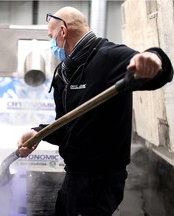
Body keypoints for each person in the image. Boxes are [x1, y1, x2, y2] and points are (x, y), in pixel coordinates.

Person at [17, 6, 173, 216]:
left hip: (100, 182)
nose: (51, 43)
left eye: (50, 36)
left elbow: (158, 71)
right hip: (74, 175)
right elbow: (66, 128)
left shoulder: (108, 57)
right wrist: (38, 133)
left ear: (62, 32)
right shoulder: (64, 72)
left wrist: (154, 59)